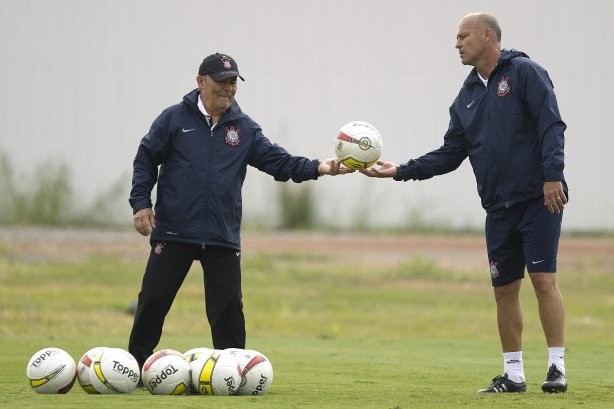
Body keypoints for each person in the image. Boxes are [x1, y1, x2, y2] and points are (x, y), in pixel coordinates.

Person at [361, 13, 568, 393]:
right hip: (497, 208)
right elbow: (450, 153)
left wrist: (552, 176)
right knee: (504, 289)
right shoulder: (467, 96)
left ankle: (556, 367)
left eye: (463, 36)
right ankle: (514, 374)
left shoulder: (525, 72)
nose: (457, 43)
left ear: (487, 36)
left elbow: (551, 125)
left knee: (542, 279)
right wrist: (400, 171)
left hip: (538, 199)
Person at [128, 52, 350, 371]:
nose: (228, 88)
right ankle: (136, 367)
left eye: (233, 82)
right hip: (174, 230)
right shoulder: (173, 119)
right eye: (221, 81)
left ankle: (233, 372)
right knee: (153, 301)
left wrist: (318, 167)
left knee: (229, 307)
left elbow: (279, 162)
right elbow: (145, 159)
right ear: (201, 81)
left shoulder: (244, 129)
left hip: (221, 234)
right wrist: (141, 203)